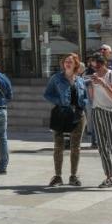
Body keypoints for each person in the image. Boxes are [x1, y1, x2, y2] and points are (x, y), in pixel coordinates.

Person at [43, 53, 88, 187]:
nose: (67, 63)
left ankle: (73, 176)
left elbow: (85, 96)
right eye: (65, 61)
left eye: (70, 61)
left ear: (76, 64)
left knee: (76, 147)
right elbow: (47, 94)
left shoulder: (80, 80)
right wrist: (61, 102)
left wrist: (82, 104)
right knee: (58, 146)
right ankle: (57, 176)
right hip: (61, 114)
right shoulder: (56, 78)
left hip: (78, 115)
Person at [87, 53, 112, 193]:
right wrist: (91, 86)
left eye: (96, 65)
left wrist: (103, 84)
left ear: (103, 63)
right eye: (92, 66)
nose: (95, 69)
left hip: (111, 113)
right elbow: (93, 98)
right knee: (102, 147)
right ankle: (108, 178)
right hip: (97, 112)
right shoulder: (94, 76)